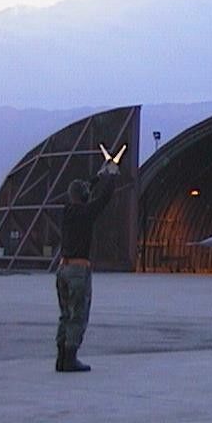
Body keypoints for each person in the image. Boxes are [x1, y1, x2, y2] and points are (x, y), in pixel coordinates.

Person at [55, 157, 119, 372]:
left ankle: (61, 358)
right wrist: (112, 176)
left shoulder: (67, 211)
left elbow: (83, 191)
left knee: (65, 314)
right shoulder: (86, 213)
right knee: (78, 315)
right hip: (78, 270)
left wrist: (98, 177)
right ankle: (70, 358)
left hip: (62, 269)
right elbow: (104, 198)